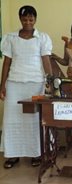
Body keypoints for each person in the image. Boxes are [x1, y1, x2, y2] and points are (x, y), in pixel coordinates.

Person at [0, 5, 52, 169]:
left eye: (31, 19)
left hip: (36, 84)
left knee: (34, 120)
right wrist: (2, 86)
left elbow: (46, 61)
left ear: (35, 20)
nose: (27, 22)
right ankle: (13, 154)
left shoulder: (42, 38)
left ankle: (36, 153)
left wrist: (50, 82)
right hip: (14, 84)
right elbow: (6, 63)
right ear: (20, 19)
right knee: (12, 119)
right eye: (24, 19)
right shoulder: (11, 38)